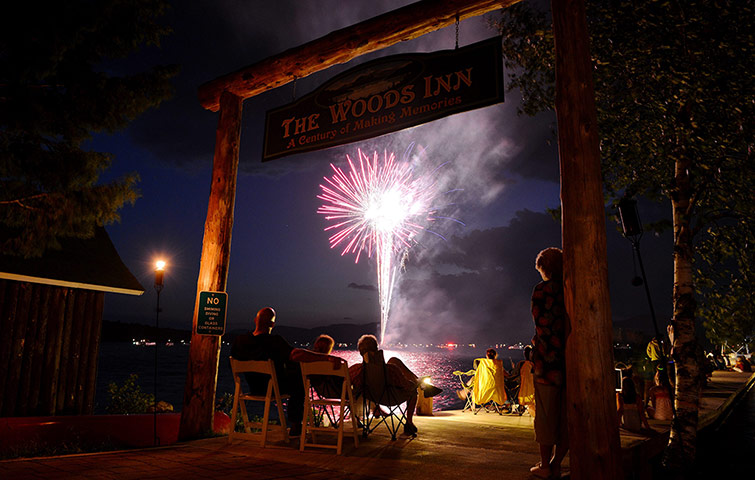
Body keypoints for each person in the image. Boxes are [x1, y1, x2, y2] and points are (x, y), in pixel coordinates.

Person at [231, 307, 343, 437]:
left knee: (292, 370)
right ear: (272, 324)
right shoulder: (274, 341)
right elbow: (295, 355)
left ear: (255, 320)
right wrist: (326, 357)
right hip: (273, 388)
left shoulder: (240, 341)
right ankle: (296, 425)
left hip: (252, 388)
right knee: (298, 379)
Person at [348, 334, 441, 436]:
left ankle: (375, 409)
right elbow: (407, 386)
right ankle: (409, 423)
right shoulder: (391, 369)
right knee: (412, 390)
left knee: (393, 361)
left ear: (360, 352)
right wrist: (416, 383)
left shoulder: (357, 370)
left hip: (371, 396)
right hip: (391, 398)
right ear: (377, 349)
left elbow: (347, 383)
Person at [529, 247, 569, 479]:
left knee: (545, 415)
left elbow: (541, 324)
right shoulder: (570, 288)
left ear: (544, 268)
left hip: (547, 364)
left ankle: (545, 466)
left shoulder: (542, 290)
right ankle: (556, 463)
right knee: (566, 417)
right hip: (570, 362)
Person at [616, 367, 650, 432]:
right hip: (636, 425)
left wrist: (617, 425)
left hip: (625, 424)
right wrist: (647, 427)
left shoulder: (620, 396)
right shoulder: (637, 397)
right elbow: (641, 413)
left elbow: (619, 411)